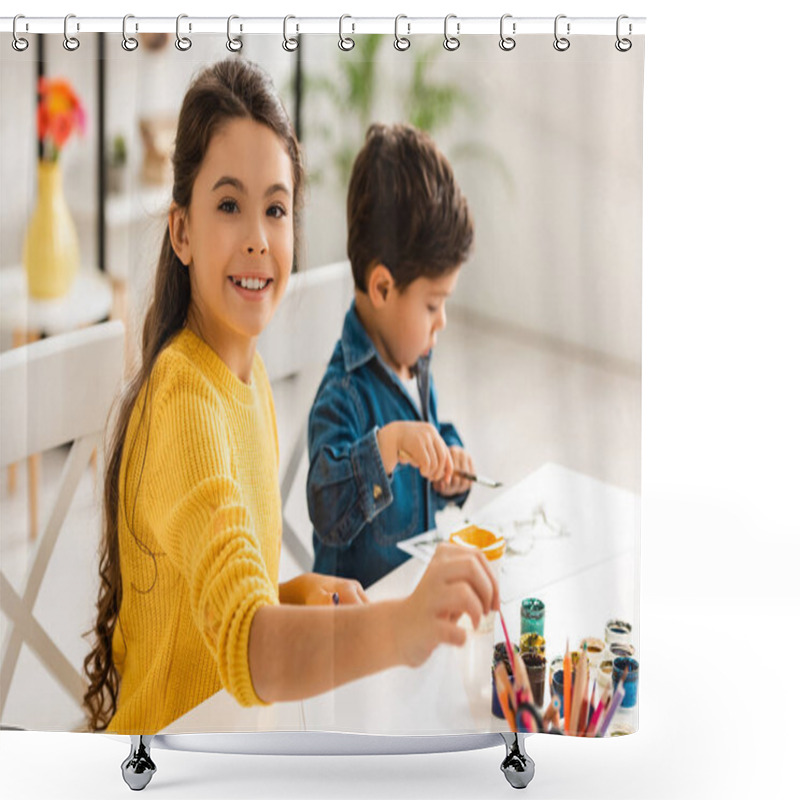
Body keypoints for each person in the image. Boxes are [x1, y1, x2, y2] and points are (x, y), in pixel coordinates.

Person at [82, 61, 498, 735]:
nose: (256, 236)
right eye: (228, 204)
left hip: (237, 732)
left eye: (275, 209)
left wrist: (289, 593)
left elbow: (217, 616)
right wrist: (401, 627)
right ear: (181, 232)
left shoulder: (249, 388)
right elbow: (251, 648)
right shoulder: (186, 401)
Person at [307, 123, 478, 589]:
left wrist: (449, 462)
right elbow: (325, 507)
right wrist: (389, 446)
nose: (441, 320)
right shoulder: (344, 391)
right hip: (353, 632)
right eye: (431, 304)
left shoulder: (415, 363)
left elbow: (428, 435)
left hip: (408, 606)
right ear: (382, 287)